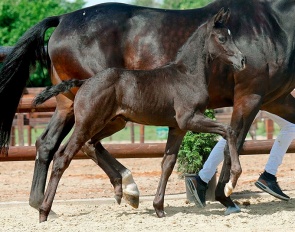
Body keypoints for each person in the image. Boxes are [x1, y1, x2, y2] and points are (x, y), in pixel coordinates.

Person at [187, 111, 295, 210]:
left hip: (261, 94)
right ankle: (268, 176)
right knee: (234, 132)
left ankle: (202, 178)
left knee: (234, 132)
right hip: (257, 94)